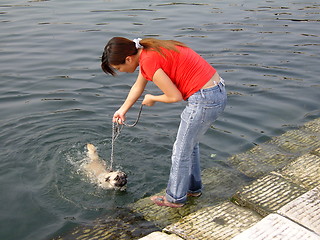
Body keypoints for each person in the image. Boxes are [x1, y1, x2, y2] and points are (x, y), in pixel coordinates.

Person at [101, 37, 227, 208]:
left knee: (180, 151)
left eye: (119, 67)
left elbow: (174, 96)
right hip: (215, 92)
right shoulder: (148, 52)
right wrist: (122, 110)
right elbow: (138, 86)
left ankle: (175, 198)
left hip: (204, 99)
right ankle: (193, 189)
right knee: (190, 146)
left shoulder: (148, 61)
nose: (121, 71)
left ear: (128, 59)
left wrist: (153, 98)